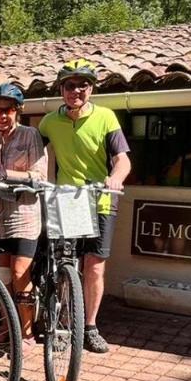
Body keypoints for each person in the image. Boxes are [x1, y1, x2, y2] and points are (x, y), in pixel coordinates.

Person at [38, 58, 131, 354]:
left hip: (100, 198)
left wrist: (116, 178)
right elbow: (32, 154)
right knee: (64, 263)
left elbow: (122, 159)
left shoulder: (106, 117)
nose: (75, 90)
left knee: (94, 265)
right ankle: (62, 323)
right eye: (69, 85)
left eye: (83, 85)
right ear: (61, 89)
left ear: (91, 88)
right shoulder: (50, 121)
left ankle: (89, 326)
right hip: (67, 199)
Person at [0, 83, 48, 342]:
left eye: (8, 110)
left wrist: (8, 175)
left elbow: (40, 175)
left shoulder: (30, 136)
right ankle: (6, 328)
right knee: (1, 279)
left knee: (19, 274)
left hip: (24, 216)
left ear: (18, 111)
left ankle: (25, 332)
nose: (3, 115)